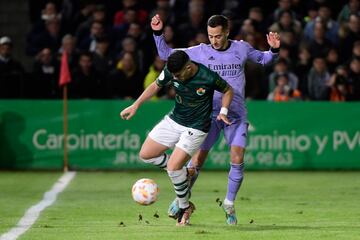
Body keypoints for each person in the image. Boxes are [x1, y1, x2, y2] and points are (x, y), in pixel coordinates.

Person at [151, 14, 280, 225]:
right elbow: (166, 54)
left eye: (218, 36)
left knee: (237, 158)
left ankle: (229, 203)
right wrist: (157, 33)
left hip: (235, 116)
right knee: (196, 162)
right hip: (208, 115)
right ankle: (182, 200)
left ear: (227, 31)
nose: (214, 40)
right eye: (211, 36)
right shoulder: (199, 52)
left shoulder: (241, 48)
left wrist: (273, 49)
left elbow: (264, 59)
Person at [120, 50, 234, 226]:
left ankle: (184, 208)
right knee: (146, 154)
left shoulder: (207, 76)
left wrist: (223, 111)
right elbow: (155, 86)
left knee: (173, 167)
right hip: (175, 120)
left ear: (188, 67)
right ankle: (185, 173)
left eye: (179, 75)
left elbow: (227, 90)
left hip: (196, 127)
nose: (176, 78)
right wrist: (136, 105)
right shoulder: (171, 71)